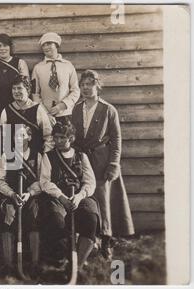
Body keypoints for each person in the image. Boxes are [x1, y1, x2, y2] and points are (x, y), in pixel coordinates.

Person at [72, 70, 134, 260]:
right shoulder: (76, 108)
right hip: (83, 159)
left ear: (97, 86)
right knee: (85, 199)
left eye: (90, 84)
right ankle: (90, 239)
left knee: (103, 201)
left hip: (101, 159)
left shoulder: (108, 109)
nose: (86, 88)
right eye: (83, 84)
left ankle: (106, 240)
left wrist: (114, 163)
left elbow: (116, 139)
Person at [40, 121, 99, 271]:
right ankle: (65, 257)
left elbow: (90, 182)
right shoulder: (49, 156)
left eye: (62, 138)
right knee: (56, 220)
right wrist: (61, 197)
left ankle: (78, 264)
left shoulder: (81, 156)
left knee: (90, 217)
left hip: (80, 196)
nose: (58, 141)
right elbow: (45, 182)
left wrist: (79, 197)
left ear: (71, 138)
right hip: (58, 198)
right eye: (55, 137)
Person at [0, 125, 43, 277]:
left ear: (29, 137)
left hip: (29, 197)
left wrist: (29, 194)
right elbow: (1, 181)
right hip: (11, 196)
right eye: (16, 136)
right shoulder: (7, 155)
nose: (18, 138)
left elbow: (41, 180)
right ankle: (8, 264)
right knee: (7, 218)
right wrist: (11, 194)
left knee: (34, 218)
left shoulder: (37, 156)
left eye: (22, 135)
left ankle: (35, 263)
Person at [31, 32, 80, 126]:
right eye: (43, 45)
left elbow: (75, 90)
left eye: (49, 44)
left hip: (65, 114)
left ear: (56, 45)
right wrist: (45, 113)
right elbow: (35, 94)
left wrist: (63, 105)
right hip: (45, 115)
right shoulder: (38, 68)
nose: (46, 47)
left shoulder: (68, 66)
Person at [0, 75, 52, 154]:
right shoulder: (6, 111)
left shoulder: (38, 109)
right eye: (14, 88)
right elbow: (4, 139)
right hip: (14, 158)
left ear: (27, 90)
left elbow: (48, 136)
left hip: (34, 158)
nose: (16, 91)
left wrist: (44, 155)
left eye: (19, 88)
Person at [0, 33, 29, 114]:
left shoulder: (19, 63)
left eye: (5, 45)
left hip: (16, 108)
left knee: (15, 127)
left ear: (10, 47)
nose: (2, 48)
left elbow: (27, 87)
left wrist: (20, 106)